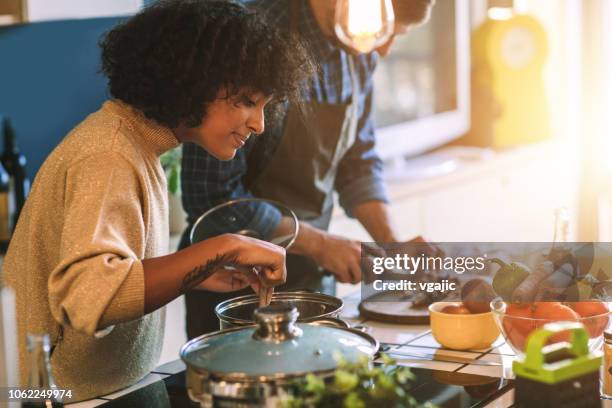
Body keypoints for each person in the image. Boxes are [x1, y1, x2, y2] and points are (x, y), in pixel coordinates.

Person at [2, 0, 312, 401]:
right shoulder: (109, 154)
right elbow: (90, 296)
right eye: (249, 101)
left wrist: (197, 271)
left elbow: (117, 271)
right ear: (196, 80)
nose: (260, 124)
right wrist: (225, 246)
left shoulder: (135, 146)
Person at [180, 0, 437, 337]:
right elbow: (212, 196)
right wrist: (319, 244)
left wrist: (392, 246)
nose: (385, 50)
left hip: (310, 279)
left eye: (392, 34)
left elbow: (357, 162)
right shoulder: (251, 36)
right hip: (234, 285)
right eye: (382, 30)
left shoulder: (359, 51)